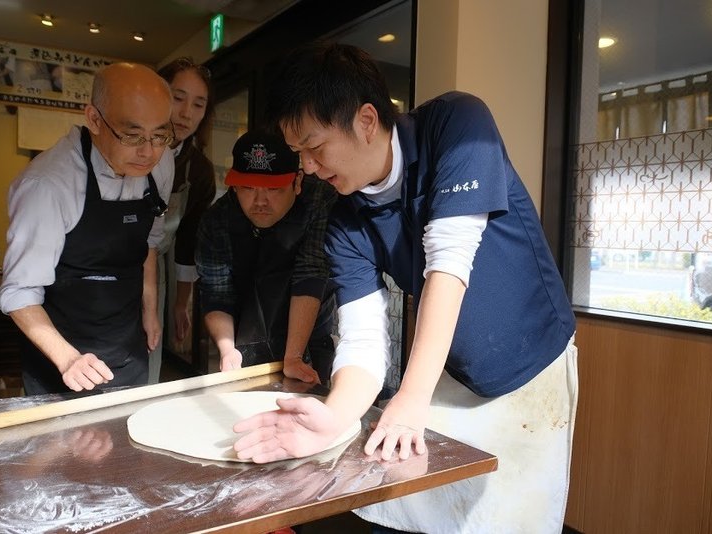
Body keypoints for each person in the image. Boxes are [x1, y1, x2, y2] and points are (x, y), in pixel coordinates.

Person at [232, 43, 578, 534]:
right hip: (448, 367)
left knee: (511, 520)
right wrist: (336, 416)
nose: (307, 167)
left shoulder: (458, 126)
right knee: (429, 511)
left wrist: (412, 398)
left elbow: (449, 264)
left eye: (315, 147)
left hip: (531, 362)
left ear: (366, 120)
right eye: (299, 154)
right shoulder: (344, 220)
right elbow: (364, 341)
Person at [0, 62, 175, 395]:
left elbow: (149, 241)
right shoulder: (47, 184)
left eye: (160, 135)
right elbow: (19, 293)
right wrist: (67, 360)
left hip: (128, 347)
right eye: (132, 135)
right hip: (61, 359)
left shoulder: (161, 163)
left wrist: (151, 312)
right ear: (94, 119)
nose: (148, 151)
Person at [196, 129, 337, 384]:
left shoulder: (319, 201)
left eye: (273, 189)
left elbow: (310, 274)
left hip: (310, 332)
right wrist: (228, 350)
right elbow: (217, 292)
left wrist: (293, 356)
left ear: (297, 182)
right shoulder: (216, 220)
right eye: (248, 188)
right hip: (241, 334)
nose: (259, 201)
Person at [148, 57, 216, 384]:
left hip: (157, 269)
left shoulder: (198, 170)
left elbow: (187, 240)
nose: (187, 113)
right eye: (178, 98)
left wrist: (180, 303)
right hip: (110, 268)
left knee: (147, 360)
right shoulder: (130, 149)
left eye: (198, 104)